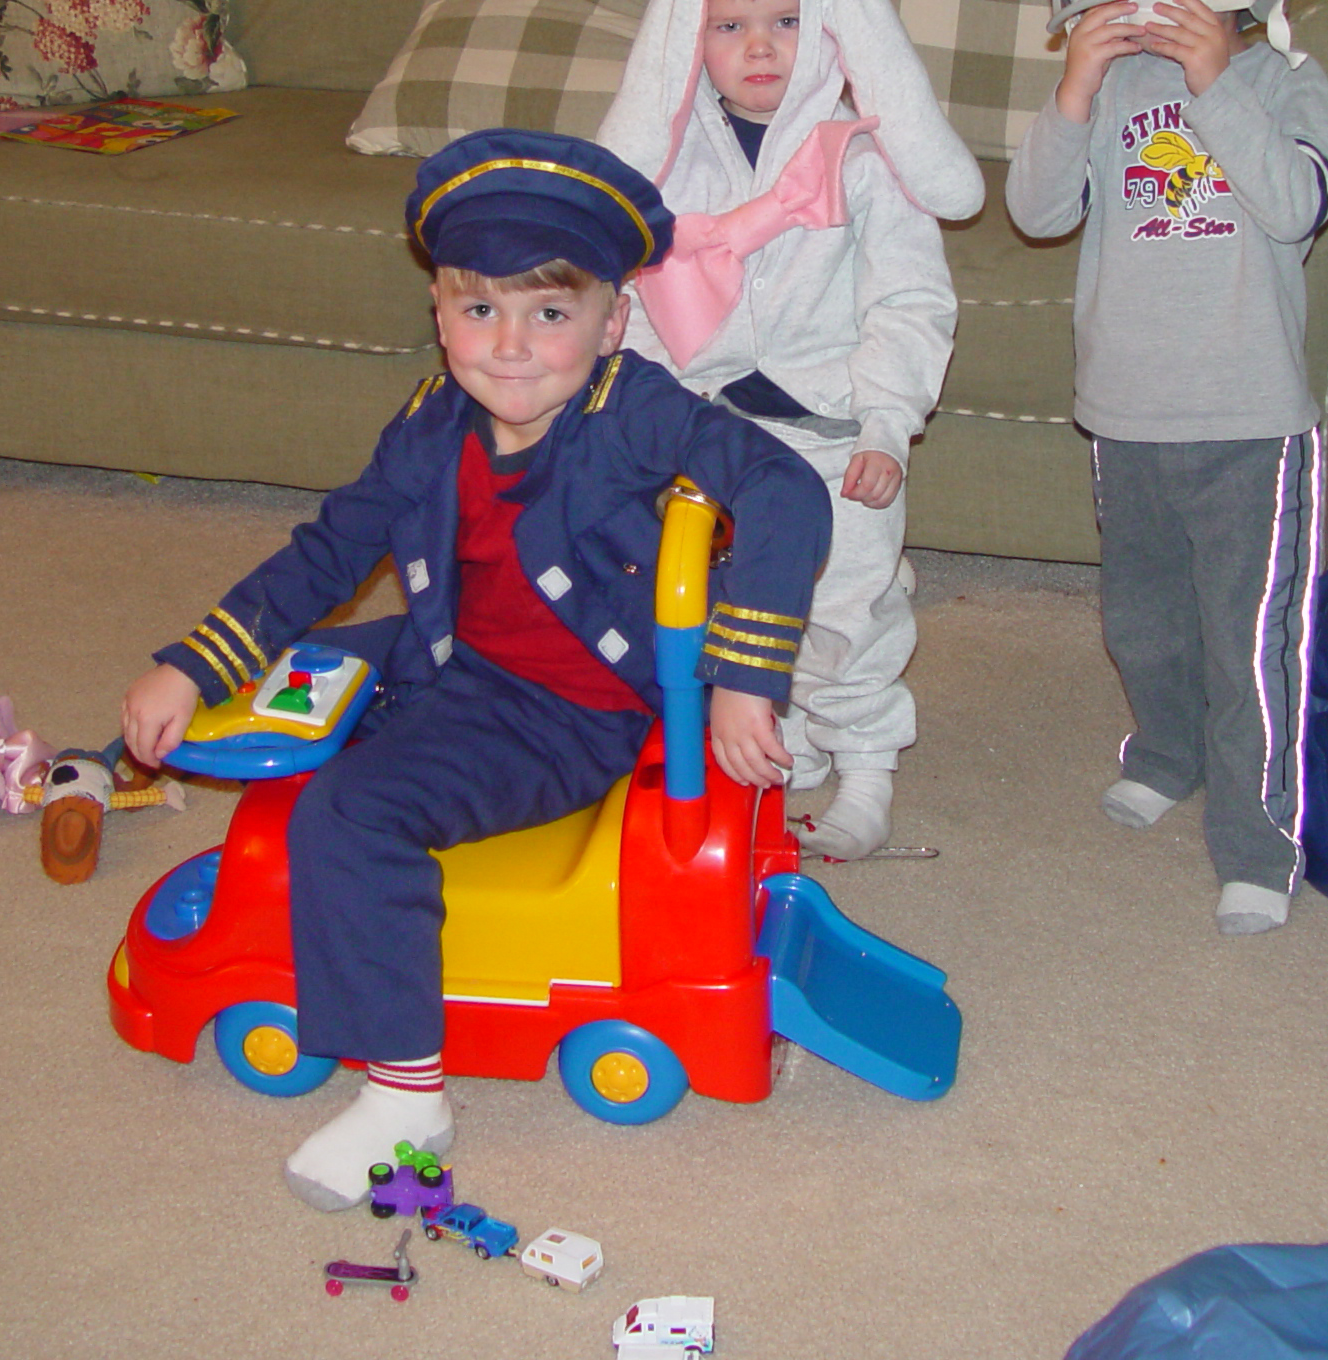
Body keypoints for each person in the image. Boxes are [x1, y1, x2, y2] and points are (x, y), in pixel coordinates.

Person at [119, 128, 829, 1208]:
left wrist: (744, 671)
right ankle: (140, 753)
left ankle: (407, 1103)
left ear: (612, 321)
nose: (509, 345)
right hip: (447, 654)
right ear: (438, 314)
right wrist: (189, 664)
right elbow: (330, 550)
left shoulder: (631, 409)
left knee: (350, 814)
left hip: (563, 713)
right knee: (272, 690)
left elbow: (784, 487)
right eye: (478, 308)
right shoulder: (427, 424)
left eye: (550, 313)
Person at [1003, 0, 1328, 936]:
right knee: (1144, 617)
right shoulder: (1101, 96)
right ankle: (1166, 748)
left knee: (1248, 638)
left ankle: (1258, 839)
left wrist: (1216, 87)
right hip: (1125, 416)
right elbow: (1037, 212)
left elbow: (1294, 206)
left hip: (1249, 422)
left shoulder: (1286, 85)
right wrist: (1070, 93)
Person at [598, 0, 984, 859]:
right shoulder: (667, 161)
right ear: (692, 36)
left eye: (785, 20)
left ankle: (863, 759)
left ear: (830, 29)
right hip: (708, 427)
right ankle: (786, 730)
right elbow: (635, 297)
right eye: (730, 24)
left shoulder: (862, 159)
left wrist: (887, 423)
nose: (759, 46)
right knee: (714, 589)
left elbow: (908, 303)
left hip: (830, 427)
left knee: (848, 589)